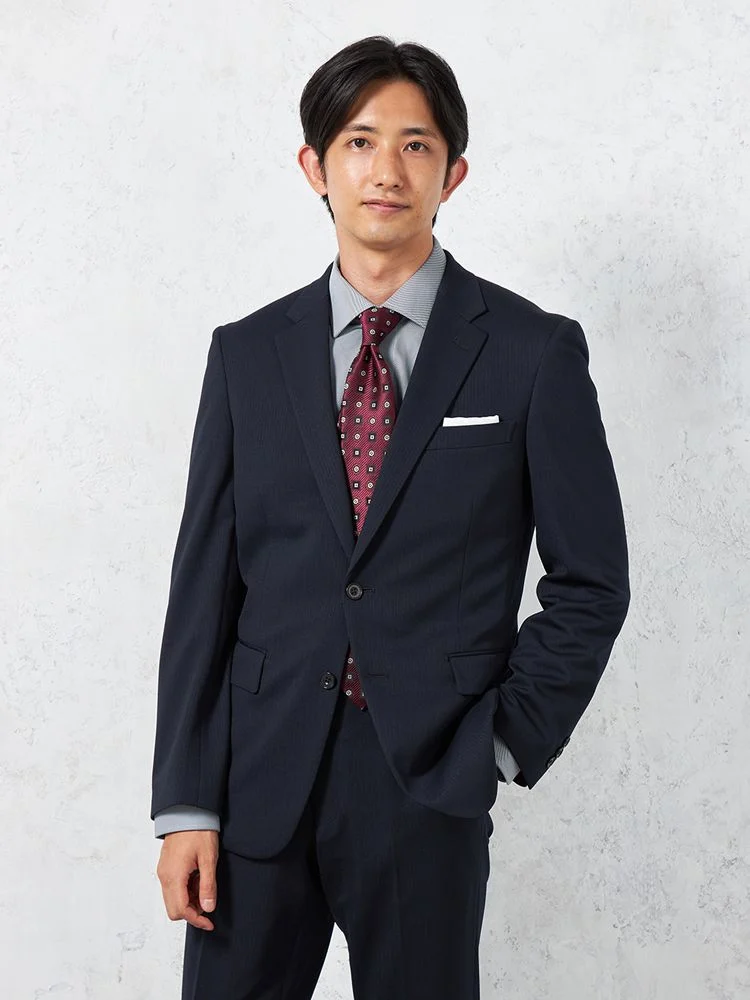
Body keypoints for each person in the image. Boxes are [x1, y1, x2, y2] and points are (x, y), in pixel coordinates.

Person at [150, 34, 630, 1000]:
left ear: (453, 173)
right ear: (314, 166)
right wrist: (185, 802)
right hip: (257, 780)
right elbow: (204, 589)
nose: (386, 170)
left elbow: (590, 582)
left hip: (428, 780)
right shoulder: (246, 356)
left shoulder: (531, 353)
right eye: (360, 142)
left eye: (416, 145)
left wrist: (500, 741)